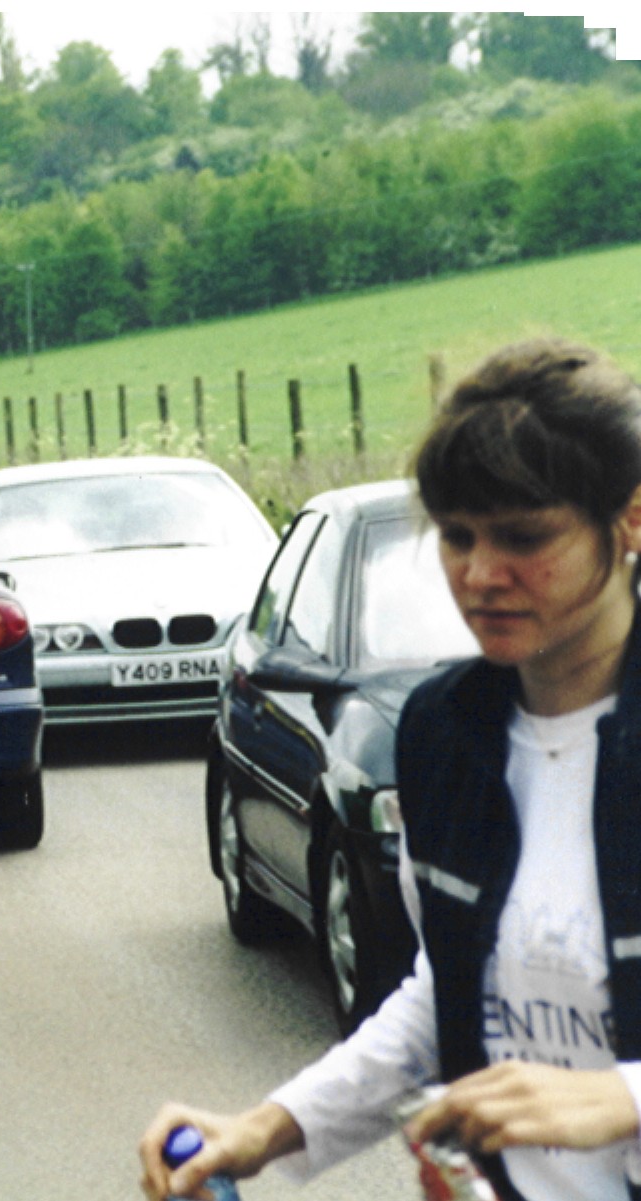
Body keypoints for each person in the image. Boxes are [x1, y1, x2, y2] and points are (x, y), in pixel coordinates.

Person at [139, 339, 641, 1201]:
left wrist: (621, 1097)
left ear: (628, 520)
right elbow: (443, 997)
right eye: (455, 535)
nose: (478, 574)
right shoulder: (443, 734)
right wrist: (265, 1127)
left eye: (523, 537)